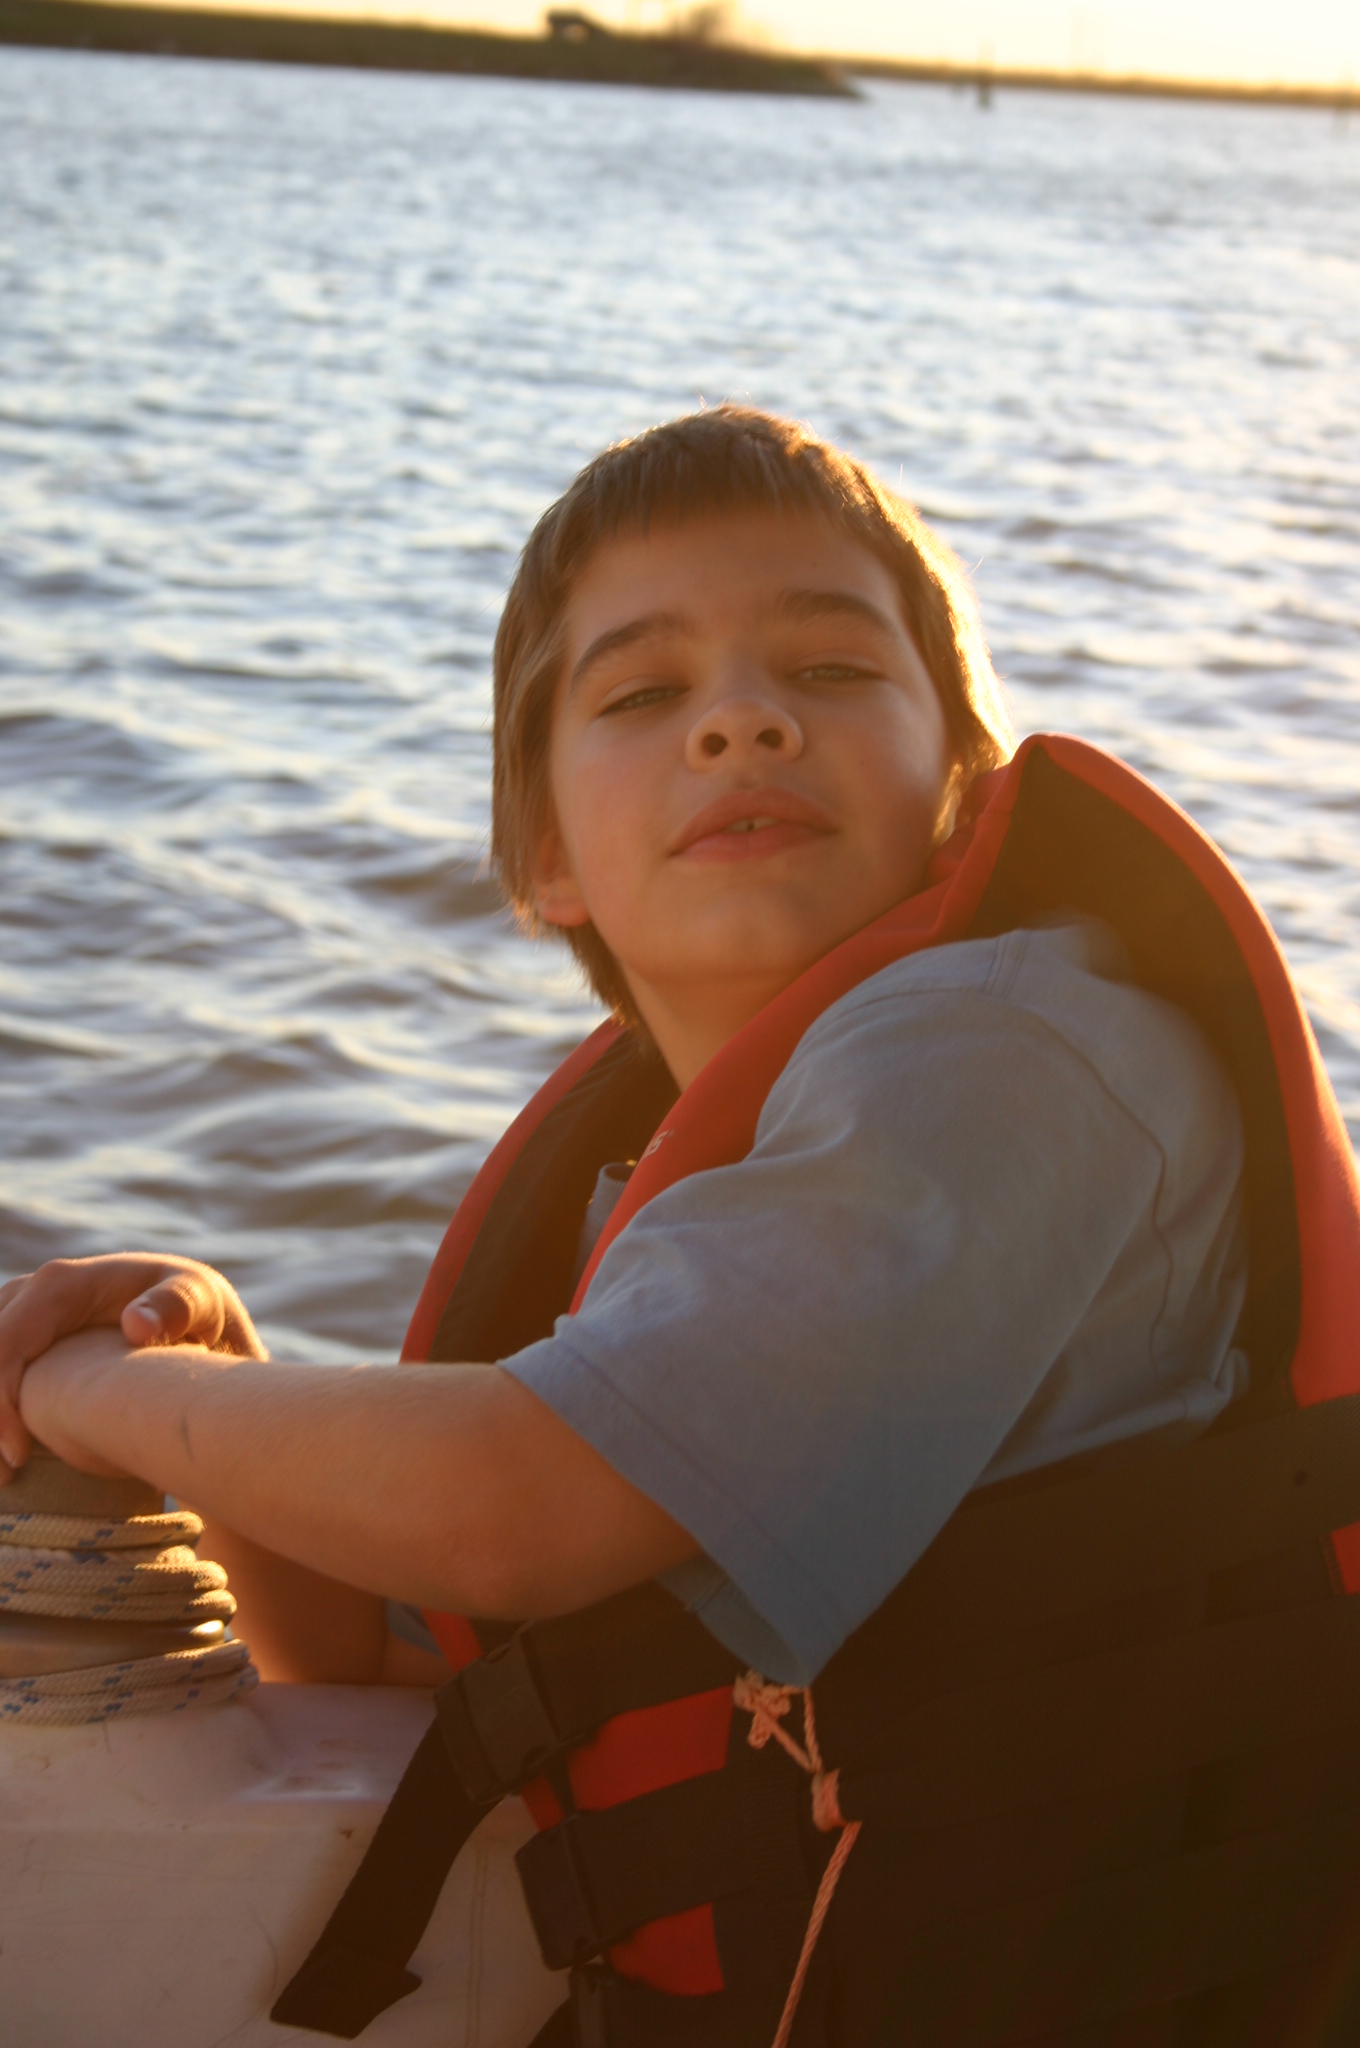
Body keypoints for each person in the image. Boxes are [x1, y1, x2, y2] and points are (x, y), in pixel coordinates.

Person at [0, 409, 1308, 2046]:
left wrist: (95, 1397)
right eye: (641, 694)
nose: (744, 721)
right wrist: (219, 1366)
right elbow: (401, 1673)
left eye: (831, 669)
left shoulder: (1010, 1059)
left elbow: (516, 1509)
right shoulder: (678, 1190)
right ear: (546, 854)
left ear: (960, 790)